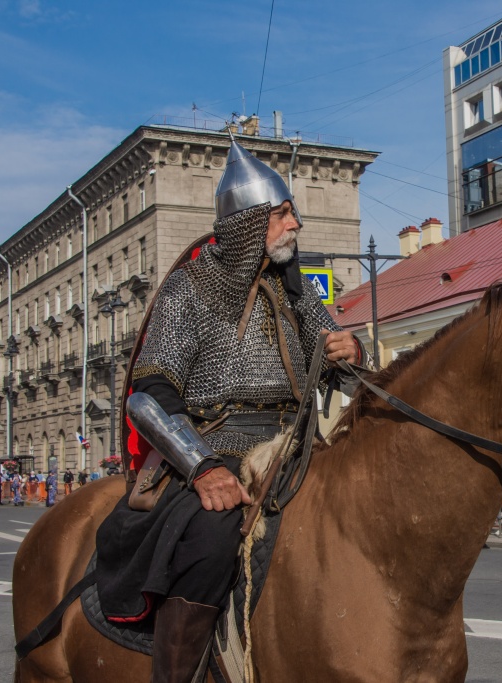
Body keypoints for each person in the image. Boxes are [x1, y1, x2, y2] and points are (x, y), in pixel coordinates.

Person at [93, 138, 364, 682]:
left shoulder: (296, 294)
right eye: (283, 213)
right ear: (247, 221)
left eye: (292, 212)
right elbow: (148, 395)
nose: (296, 224)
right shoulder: (190, 289)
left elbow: (341, 375)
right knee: (212, 542)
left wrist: (349, 354)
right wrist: (203, 467)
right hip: (217, 449)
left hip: (296, 446)